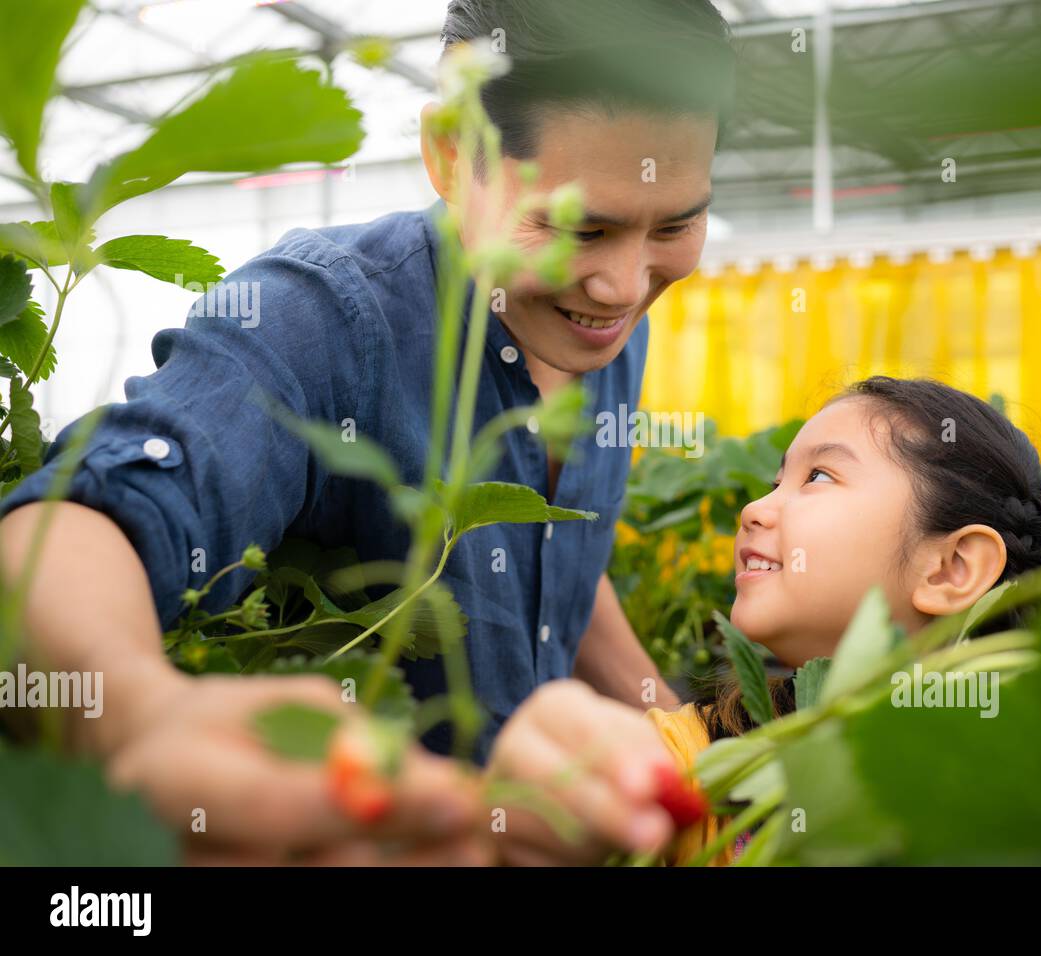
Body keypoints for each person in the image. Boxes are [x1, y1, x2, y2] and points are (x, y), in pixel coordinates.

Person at [0, 0, 734, 865]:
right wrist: (137, 719)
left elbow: (564, 562)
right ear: (451, 154)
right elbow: (82, 522)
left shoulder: (606, 327)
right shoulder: (323, 317)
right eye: (581, 227)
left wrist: (687, 746)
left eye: (676, 224)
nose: (622, 285)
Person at [490, 376, 1041, 864]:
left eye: (820, 477)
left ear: (952, 568)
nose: (754, 509)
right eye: (777, 480)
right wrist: (562, 772)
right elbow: (575, 791)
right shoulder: (697, 765)